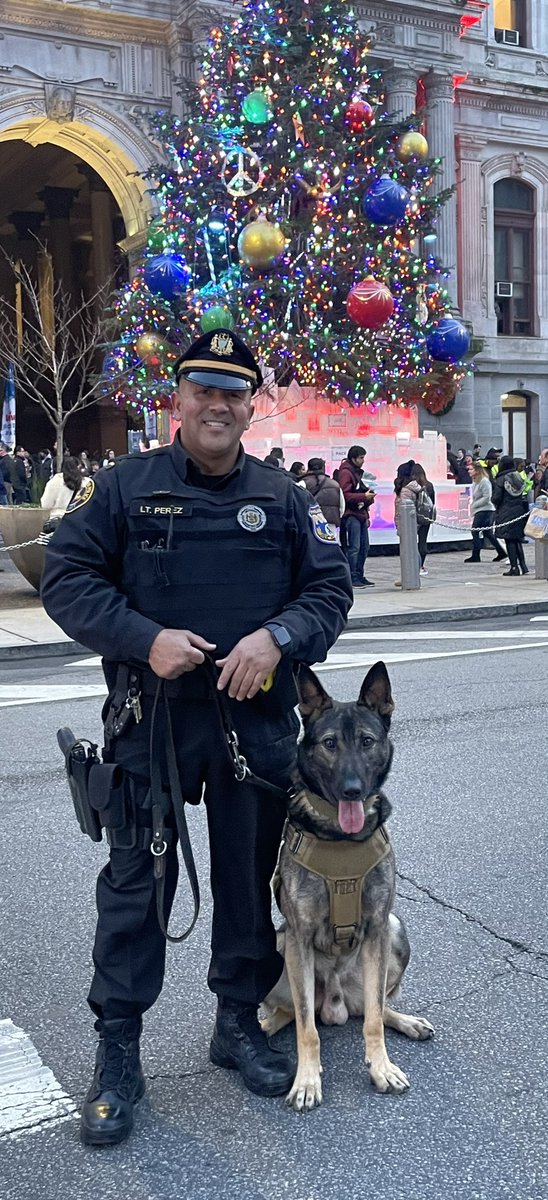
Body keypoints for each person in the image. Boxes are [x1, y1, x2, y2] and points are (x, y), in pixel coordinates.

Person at [41, 328, 352, 1147]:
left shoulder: (282, 497)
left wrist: (277, 639)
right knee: (137, 889)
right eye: (202, 389)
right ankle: (118, 1053)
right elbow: (67, 579)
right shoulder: (123, 488)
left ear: (252, 406)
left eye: (233, 392)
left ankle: (236, 1024)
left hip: (254, 725)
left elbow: (329, 592)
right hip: (155, 722)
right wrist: (143, 638)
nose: (217, 405)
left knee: (251, 882)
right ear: (176, 399)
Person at [338, 445, 375, 589]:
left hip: (360, 514)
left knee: (364, 547)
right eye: (361, 458)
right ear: (353, 458)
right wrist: (363, 496)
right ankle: (353, 576)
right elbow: (345, 494)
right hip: (352, 514)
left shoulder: (357, 473)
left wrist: (368, 498)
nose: (363, 460)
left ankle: (359, 574)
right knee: (355, 547)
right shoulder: (346, 473)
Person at [492, 455, 529, 576]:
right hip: (518, 510)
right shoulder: (518, 477)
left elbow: (496, 498)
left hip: (505, 511)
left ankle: (514, 567)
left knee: (509, 540)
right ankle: (523, 566)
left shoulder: (501, 479)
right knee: (517, 539)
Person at [464, 461, 507, 563]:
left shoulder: (484, 481)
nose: (469, 471)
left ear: (477, 470)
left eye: (471, 469)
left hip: (486, 510)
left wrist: (474, 505)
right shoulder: (476, 481)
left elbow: (487, 497)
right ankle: (501, 551)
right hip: (481, 509)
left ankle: (476, 555)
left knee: (475, 531)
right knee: (487, 532)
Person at [393, 460, 421, 586]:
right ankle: (412, 573)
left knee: (408, 550)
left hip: (406, 522)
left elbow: (401, 508)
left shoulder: (404, 490)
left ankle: (409, 575)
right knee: (413, 548)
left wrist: (398, 524)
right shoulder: (413, 487)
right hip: (412, 521)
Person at [40, 456, 85, 522]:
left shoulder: (54, 481)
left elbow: (45, 504)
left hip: (57, 520)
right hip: (78, 520)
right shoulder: (86, 482)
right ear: (78, 467)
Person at [304, 457, 344, 529]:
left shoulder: (302, 483)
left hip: (308, 524)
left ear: (308, 468)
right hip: (330, 524)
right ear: (323, 468)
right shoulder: (335, 484)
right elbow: (342, 507)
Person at [411, 462, 435, 576]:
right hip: (426, 516)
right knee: (423, 541)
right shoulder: (429, 485)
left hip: (413, 517)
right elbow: (432, 503)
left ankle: (413, 564)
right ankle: (421, 565)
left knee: (411, 541)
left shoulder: (412, 487)